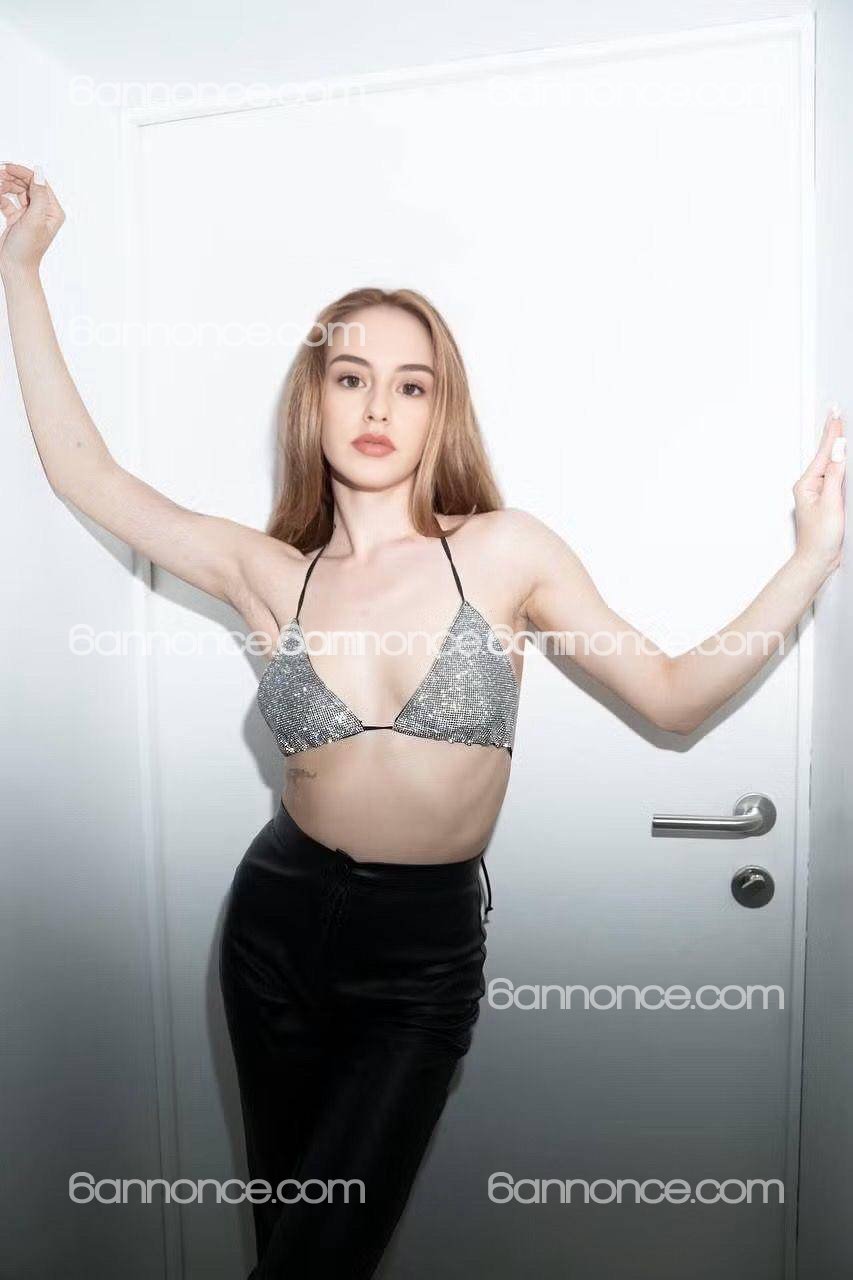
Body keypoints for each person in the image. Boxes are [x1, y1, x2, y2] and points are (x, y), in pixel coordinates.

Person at [1, 160, 846, 1280]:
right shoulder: (268, 573)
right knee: (287, 1230)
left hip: (419, 956)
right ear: (314, 400)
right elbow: (86, 474)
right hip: (273, 926)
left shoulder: (502, 553)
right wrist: (20, 269)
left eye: (410, 385)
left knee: (317, 1256)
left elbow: (675, 695)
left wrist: (810, 557)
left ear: (439, 409)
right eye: (352, 377)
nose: (377, 408)